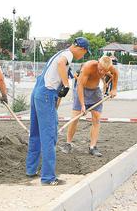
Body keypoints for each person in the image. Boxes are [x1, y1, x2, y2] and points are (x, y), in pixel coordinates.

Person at [26, 37, 90, 186]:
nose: (83, 57)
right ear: (82, 49)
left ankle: (31, 169)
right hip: (46, 94)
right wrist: (67, 85)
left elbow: (59, 80)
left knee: (35, 133)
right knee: (49, 136)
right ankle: (48, 178)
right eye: (84, 53)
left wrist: (54, 107)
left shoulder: (59, 54)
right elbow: (62, 65)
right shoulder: (68, 55)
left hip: (38, 92)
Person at [61, 56, 119, 157]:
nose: (102, 72)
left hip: (95, 92)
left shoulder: (109, 67)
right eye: (100, 69)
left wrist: (114, 89)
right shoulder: (88, 67)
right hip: (81, 90)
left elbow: (116, 73)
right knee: (75, 118)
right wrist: (83, 105)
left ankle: (92, 147)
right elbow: (80, 86)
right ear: (98, 63)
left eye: (105, 71)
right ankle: (68, 143)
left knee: (96, 118)